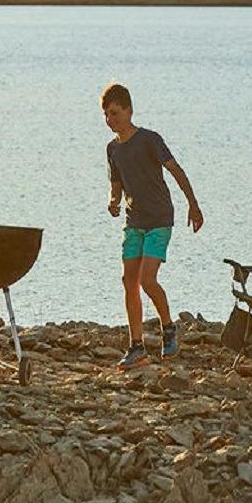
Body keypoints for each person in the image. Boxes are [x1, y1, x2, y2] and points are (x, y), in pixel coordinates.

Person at [102, 83, 204, 370]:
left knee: (147, 280)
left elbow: (176, 171)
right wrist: (113, 202)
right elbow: (116, 185)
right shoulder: (112, 149)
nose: (110, 119)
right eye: (106, 115)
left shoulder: (149, 140)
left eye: (115, 113)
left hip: (159, 218)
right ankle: (136, 347)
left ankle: (168, 327)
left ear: (129, 111)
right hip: (133, 221)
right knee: (129, 282)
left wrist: (193, 205)